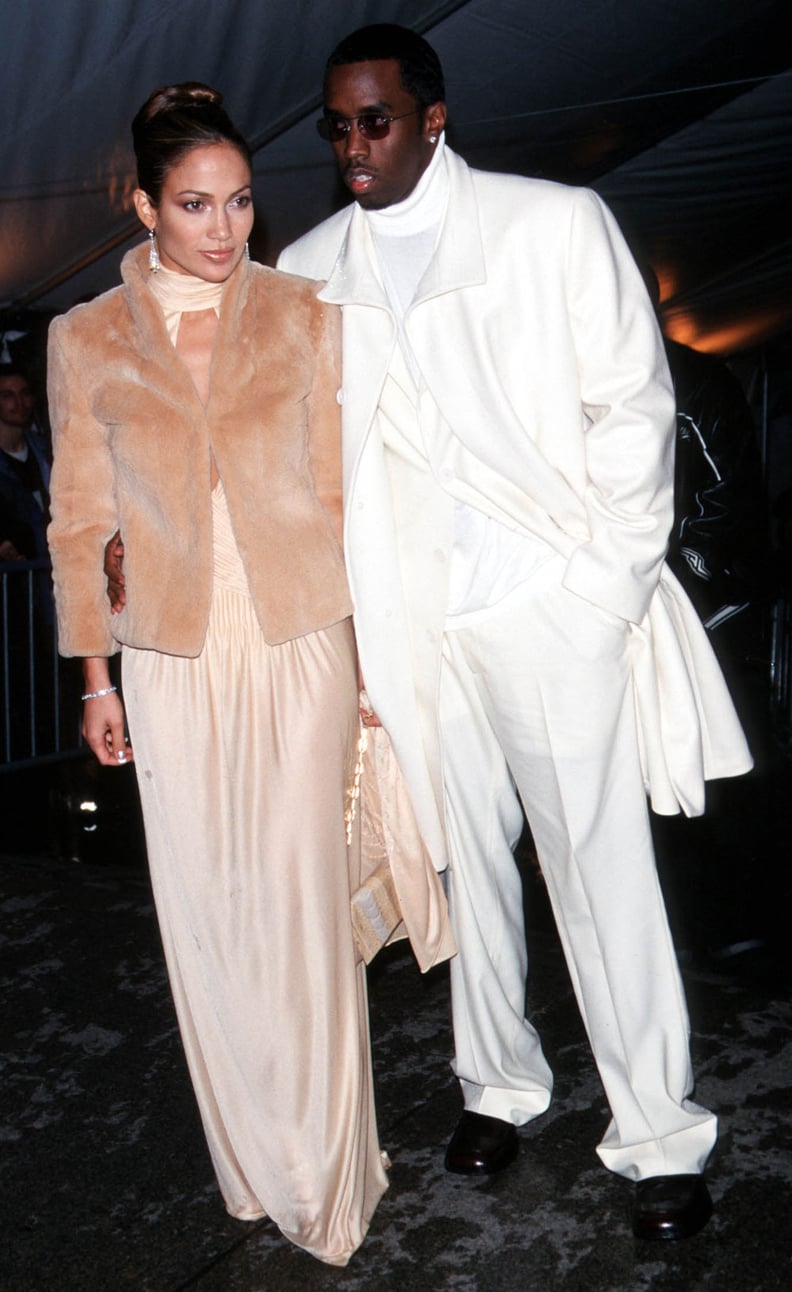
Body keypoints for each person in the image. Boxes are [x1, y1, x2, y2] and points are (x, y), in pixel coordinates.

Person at [276, 24, 753, 1241]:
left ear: (432, 117)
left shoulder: (552, 223)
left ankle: (659, 1133)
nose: (351, 146)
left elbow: (634, 406)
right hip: (412, 621)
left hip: (551, 606)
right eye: (335, 126)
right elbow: (301, 463)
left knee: (598, 868)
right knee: (462, 861)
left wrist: (597, 591)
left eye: (373, 120)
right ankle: (501, 1082)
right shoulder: (312, 262)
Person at [46, 82, 390, 1266]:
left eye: (241, 201)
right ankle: (254, 1160)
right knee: (208, 913)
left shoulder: (302, 312)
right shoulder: (83, 335)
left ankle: (333, 1172)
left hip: (300, 635)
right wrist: (94, 679)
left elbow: (346, 493)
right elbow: (80, 519)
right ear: (142, 205)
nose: (224, 227)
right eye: (195, 204)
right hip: (170, 658)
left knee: (295, 902)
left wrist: (378, 652)